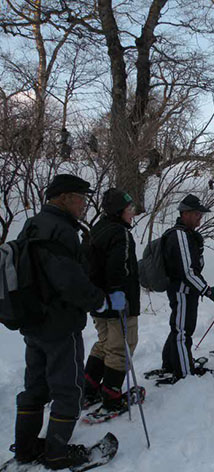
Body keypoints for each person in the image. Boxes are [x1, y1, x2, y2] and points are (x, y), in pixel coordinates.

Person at [12, 174, 112, 469]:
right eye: (81, 198)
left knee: (35, 386)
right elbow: (70, 282)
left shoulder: (32, 224)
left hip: (34, 321)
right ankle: (57, 453)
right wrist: (100, 300)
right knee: (68, 389)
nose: (83, 205)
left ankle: (26, 448)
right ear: (65, 197)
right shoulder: (61, 230)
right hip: (60, 323)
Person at [83, 189, 139, 413]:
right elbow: (118, 267)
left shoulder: (97, 229)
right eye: (129, 209)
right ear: (119, 211)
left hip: (98, 302)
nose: (132, 214)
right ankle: (112, 396)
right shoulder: (120, 233)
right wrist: (117, 292)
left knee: (104, 343)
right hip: (118, 302)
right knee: (121, 347)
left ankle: (89, 389)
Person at [161, 194, 214, 379]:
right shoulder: (179, 235)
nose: (200, 217)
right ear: (185, 213)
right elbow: (187, 272)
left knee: (181, 329)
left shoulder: (188, 235)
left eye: (200, 214)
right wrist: (207, 290)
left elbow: (194, 267)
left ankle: (171, 363)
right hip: (181, 291)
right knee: (182, 332)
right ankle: (184, 371)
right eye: (196, 214)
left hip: (188, 291)